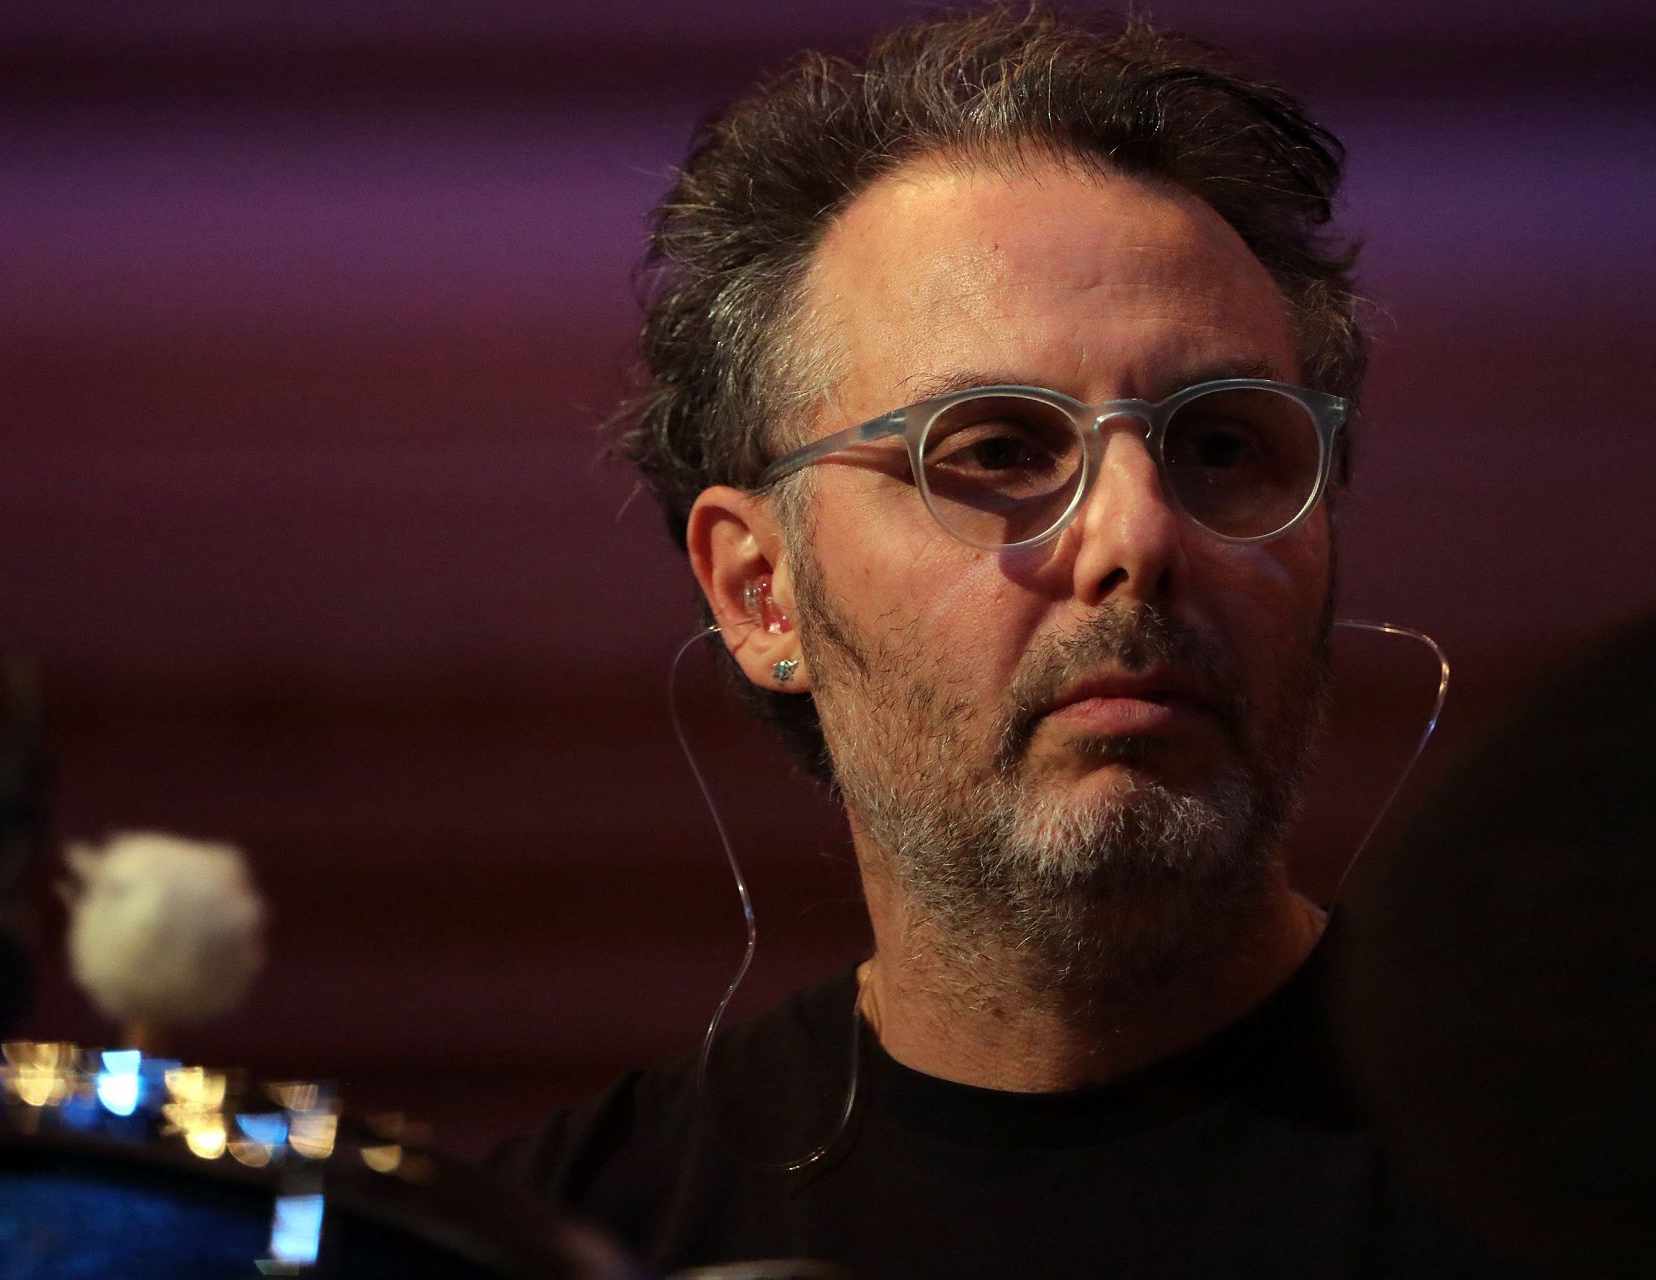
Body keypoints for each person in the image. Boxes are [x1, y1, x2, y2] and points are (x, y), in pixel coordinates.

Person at [495, 9, 1525, 1276]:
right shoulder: (576, 1237)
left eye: (1221, 446)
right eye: (992, 449)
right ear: (763, 591)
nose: (1139, 535)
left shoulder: (1637, 1166)